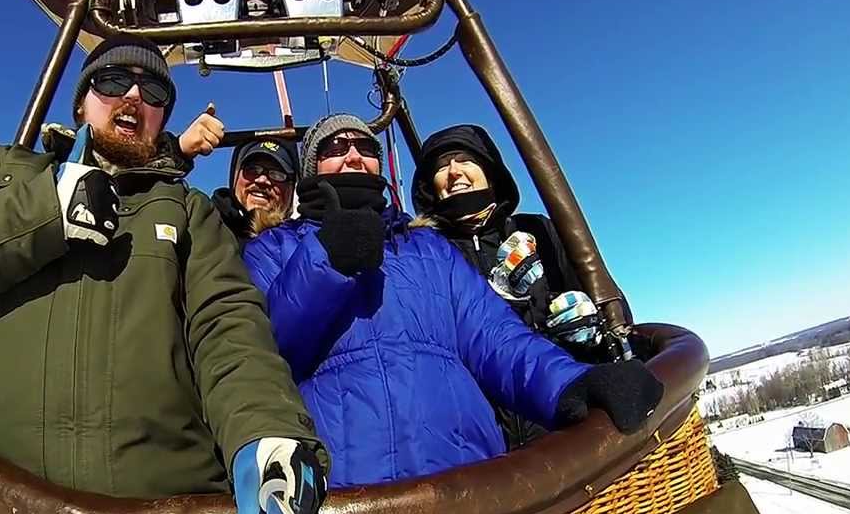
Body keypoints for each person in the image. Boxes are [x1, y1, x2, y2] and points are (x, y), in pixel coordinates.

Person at [0, 35, 326, 514]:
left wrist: (263, 430)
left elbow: (229, 328)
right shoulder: (2, 175)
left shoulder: (186, 211)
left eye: (154, 92)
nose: (134, 98)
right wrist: (44, 211)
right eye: (114, 83)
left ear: (161, 119)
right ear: (81, 101)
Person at [242, 113, 663, 488]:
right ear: (312, 168)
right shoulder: (273, 250)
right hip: (349, 495)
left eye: (366, 146)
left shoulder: (427, 248)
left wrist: (571, 383)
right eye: (336, 147)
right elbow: (263, 354)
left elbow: (495, 338)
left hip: (466, 484)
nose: (354, 156)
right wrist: (325, 262)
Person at [411, 125, 611, 361]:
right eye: (442, 165)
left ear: (489, 174)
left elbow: (609, 303)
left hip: (566, 373)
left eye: (465, 160)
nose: (454, 171)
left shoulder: (538, 229)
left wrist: (591, 324)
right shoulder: (427, 251)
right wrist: (500, 302)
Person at [210, 137, 299, 245]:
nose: (262, 180)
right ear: (235, 176)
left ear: (291, 189)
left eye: (277, 175)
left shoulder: (301, 241)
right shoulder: (204, 221)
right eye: (253, 170)